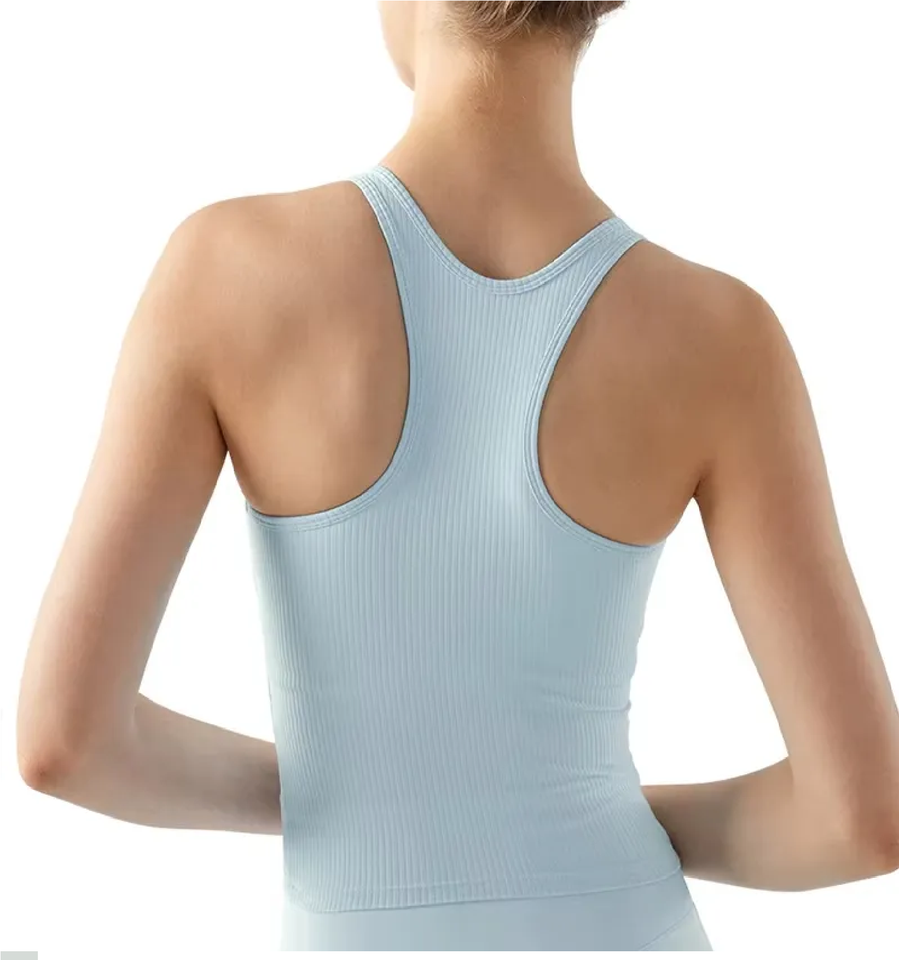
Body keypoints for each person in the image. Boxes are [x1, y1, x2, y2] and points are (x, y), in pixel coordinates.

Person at [15, 0, 899, 951]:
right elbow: (859, 819)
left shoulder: (228, 269)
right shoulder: (719, 334)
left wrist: (358, 795)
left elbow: (68, 743)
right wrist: (553, 814)